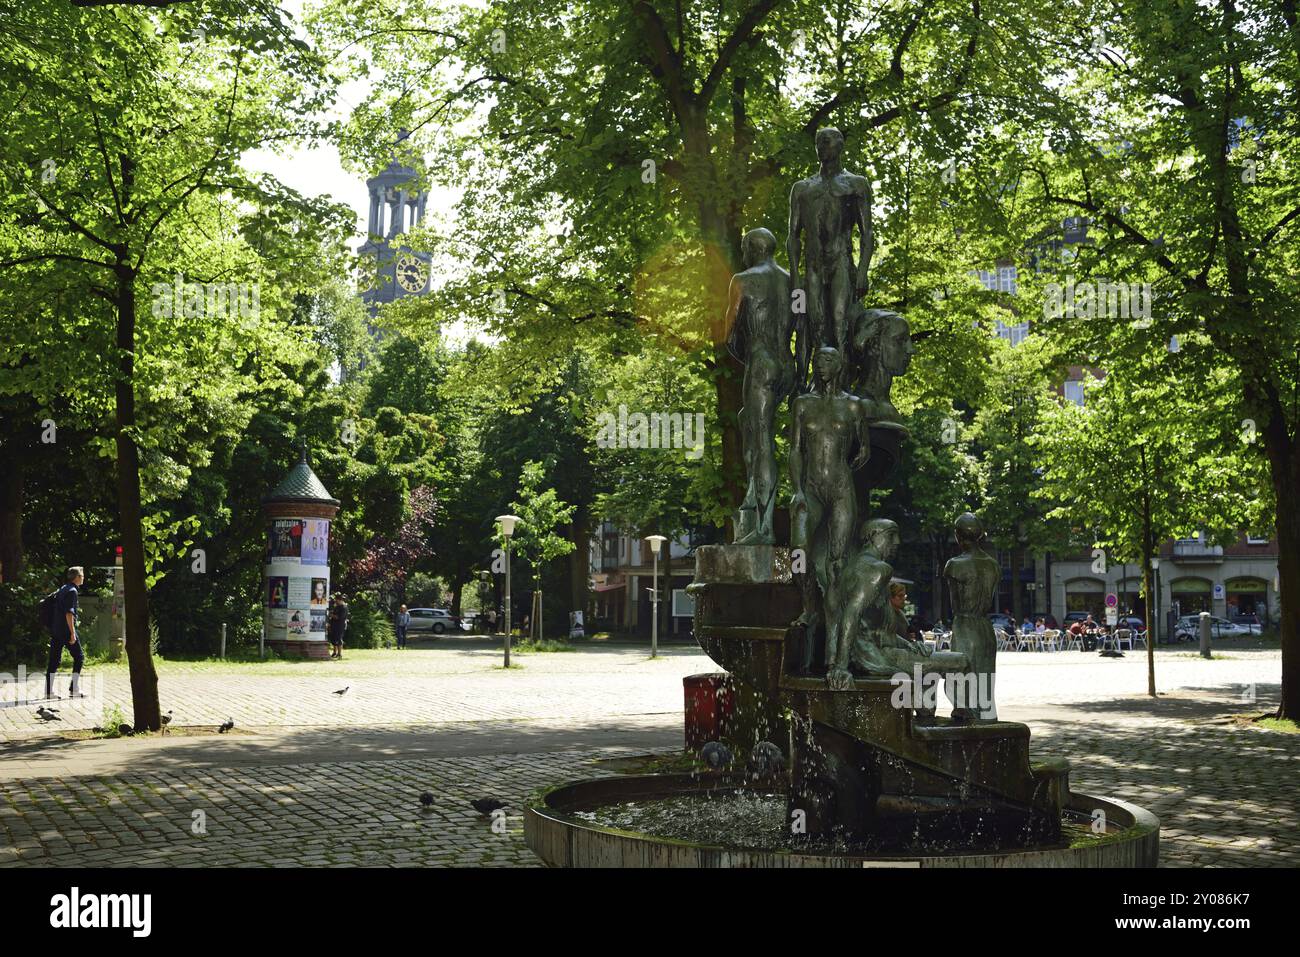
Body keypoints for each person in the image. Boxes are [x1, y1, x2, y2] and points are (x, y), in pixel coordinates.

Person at [46, 566, 85, 699]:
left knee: (53, 660)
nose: (83, 578)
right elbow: (69, 613)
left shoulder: (63, 588)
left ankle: (48, 692)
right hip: (65, 631)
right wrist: (72, 633)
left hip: (56, 629)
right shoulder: (72, 591)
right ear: (77, 577)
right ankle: (73, 689)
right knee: (79, 657)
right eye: (82, 575)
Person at [327, 594, 349, 659]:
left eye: (336, 600)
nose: (335, 601)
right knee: (333, 639)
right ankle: (334, 653)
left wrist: (331, 615)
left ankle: (339, 654)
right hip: (334, 625)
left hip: (340, 626)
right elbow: (334, 615)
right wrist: (330, 624)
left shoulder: (344, 607)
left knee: (339, 639)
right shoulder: (337, 607)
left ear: (340, 600)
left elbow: (338, 617)